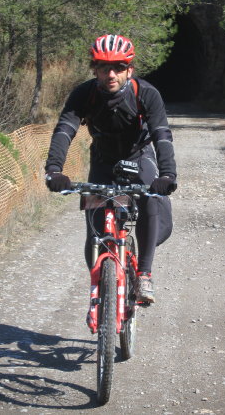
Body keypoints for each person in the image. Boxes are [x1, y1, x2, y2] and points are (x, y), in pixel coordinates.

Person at [45, 34, 177, 304]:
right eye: (104, 68)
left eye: (118, 67)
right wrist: (54, 170)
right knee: (94, 229)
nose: (111, 74)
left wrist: (167, 175)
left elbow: (162, 134)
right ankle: (101, 288)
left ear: (130, 69)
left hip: (139, 157)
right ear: (95, 70)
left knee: (150, 201)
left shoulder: (146, 94)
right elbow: (64, 131)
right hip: (103, 161)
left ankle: (144, 274)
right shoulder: (84, 94)